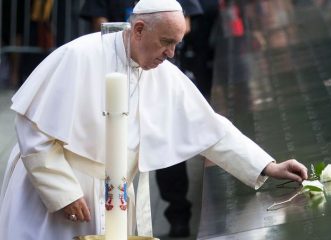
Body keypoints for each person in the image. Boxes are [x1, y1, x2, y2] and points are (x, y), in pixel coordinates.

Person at [0, 0, 308, 239]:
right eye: (165, 42)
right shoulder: (78, 56)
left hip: (111, 197)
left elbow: (210, 128)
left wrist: (268, 165)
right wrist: (63, 193)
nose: (171, 54)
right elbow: (33, 129)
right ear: (138, 30)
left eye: (177, 44)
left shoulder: (160, 69)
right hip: (54, 195)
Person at [81, 0, 204, 237]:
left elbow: (183, 24)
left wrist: (264, 166)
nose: (173, 49)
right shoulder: (79, 55)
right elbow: (99, 22)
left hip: (155, 72)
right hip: (116, 67)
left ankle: (178, 215)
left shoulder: (167, 66)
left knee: (168, 152)